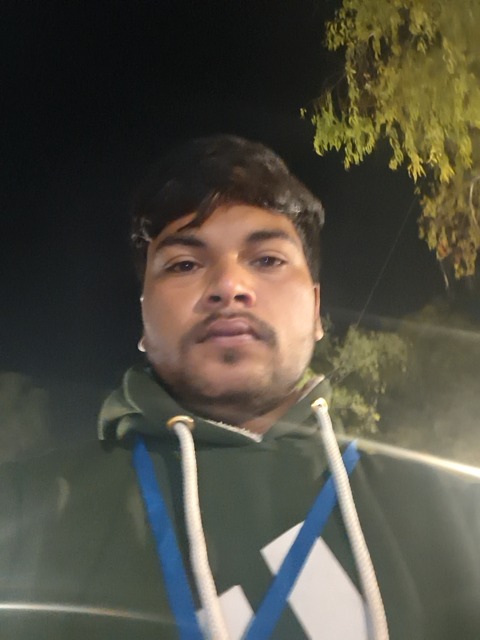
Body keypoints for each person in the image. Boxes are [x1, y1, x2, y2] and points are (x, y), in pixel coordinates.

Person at [1, 135, 479, 640]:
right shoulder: (26, 515)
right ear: (144, 320)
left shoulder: (452, 512)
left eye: (267, 260)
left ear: (316, 310)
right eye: (184, 264)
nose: (229, 286)